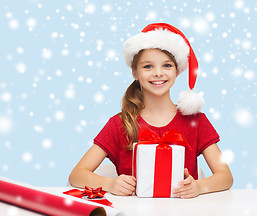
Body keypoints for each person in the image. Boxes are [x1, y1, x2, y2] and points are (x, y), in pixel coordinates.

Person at [69, 23, 233, 199]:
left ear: (177, 71)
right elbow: (76, 175)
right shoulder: (119, 124)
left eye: (167, 65)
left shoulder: (196, 121)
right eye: (148, 66)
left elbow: (225, 176)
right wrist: (111, 184)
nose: (158, 73)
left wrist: (199, 187)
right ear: (135, 73)